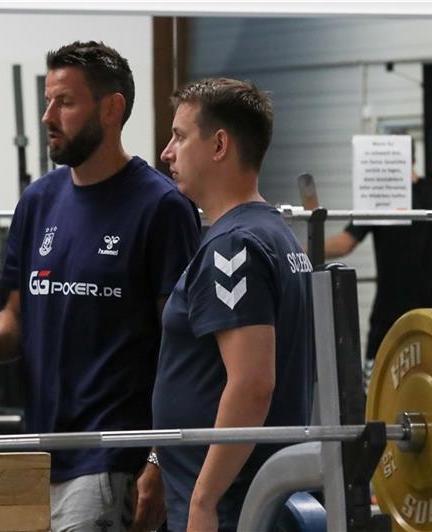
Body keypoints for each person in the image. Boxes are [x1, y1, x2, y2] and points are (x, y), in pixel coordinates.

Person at [0, 41, 201, 531]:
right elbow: (17, 317)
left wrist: (158, 460)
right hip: (36, 456)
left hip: (109, 465)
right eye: (47, 101)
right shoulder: (38, 202)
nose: (47, 116)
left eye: (65, 102)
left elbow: (185, 348)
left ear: (111, 108)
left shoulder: (162, 207)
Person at [153, 78, 315, 531]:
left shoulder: (234, 246)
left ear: (219, 144)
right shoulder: (273, 234)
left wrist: (204, 499)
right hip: (247, 498)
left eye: (180, 136)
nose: (168, 151)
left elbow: (252, 384)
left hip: (232, 508)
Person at [325, 160, 432, 382]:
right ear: (412, 160)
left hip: (390, 317)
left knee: (376, 393)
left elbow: (344, 244)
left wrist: (294, 249)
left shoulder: (379, 198)